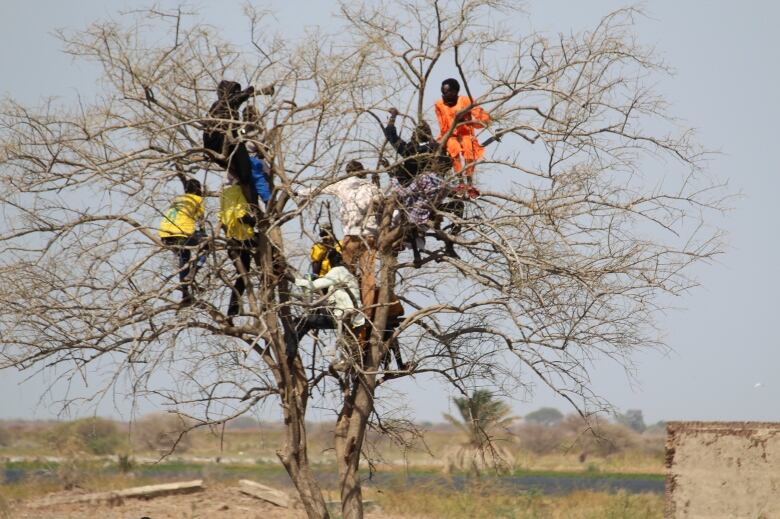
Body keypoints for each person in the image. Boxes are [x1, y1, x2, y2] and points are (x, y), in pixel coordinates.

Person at [293, 253, 365, 356]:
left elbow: (317, 285)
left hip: (342, 315)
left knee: (303, 320)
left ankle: (291, 349)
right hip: (354, 317)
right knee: (308, 321)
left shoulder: (337, 271)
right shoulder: (348, 274)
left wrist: (298, 281)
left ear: (330, 263)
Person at [434, 78, 490, 193]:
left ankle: (469, 183)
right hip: (450, 136)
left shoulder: (466, 101)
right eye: (442, 92)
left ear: (455, 92)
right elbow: (442, 126)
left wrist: (469, 121)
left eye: (447, 93)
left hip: (466, 134)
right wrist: (442, 140)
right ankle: (460, 182)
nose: (444, 95)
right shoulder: (439, 104)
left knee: (469, 148)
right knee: (453, 149)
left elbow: (483, 119)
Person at [159, 178, 206, 304]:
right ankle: (194, 271)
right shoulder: (198, 200)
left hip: (166, 235)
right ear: (198, 190)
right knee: (207, 245)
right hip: (181, 234)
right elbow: (201, 223)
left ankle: (185, 293)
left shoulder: (178, 199)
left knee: (184, 257)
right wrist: (204, 235)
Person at [219, 176, 257, 316]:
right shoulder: (238, 191)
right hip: (243, 237)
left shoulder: (225, 194)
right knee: (268, 247)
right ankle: (233, 308)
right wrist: (254, 220)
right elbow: (241, 216)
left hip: (232, 238)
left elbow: (223, 217)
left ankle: (232, 310)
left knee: (242, 276)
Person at [384, 108, 451, 186]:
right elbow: (448, 163)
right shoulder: (438, 148)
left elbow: (390, 134)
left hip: (410, 187)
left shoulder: (410, 149)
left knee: (398, 169)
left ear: (417, 136)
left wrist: (393, 116)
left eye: (414, 133)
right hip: (433, 188)